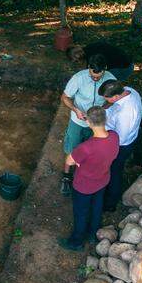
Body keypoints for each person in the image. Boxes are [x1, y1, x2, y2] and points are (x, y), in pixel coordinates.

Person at [60, 106, 120, 251]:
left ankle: (76, 242)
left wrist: (68, 174)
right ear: (105, 120)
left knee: (81, 212)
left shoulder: (86, 147)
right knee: (96, 206)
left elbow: (69, 161)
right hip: (103, 180)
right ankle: (93, 233)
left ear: (88, 122)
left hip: (84, 185)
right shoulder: (114, 136)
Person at [60, 54, 116, 195]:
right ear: (88, 68)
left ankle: (84, 172)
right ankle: (66, 176)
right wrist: (75, 109)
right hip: (78, 120)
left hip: (96, 122)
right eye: (93, 74)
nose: (96, 78)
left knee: (90, 150)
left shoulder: (111, 79)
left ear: (105, 69)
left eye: (99, 75)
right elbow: (65, 97)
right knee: (72, 147)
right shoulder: (79, 78)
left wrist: (103, 109)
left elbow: (112, 99)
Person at [98, 79, 142, 211]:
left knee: (114, 172)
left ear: (116, 96)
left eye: (107, 98)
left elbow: (120, 138)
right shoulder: (129, 90)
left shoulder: (126, 113)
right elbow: (110, 106)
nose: (106, 101)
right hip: (123, 136)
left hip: (121, 146)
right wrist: (104, 109)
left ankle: (110, 203)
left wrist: (100, 133)